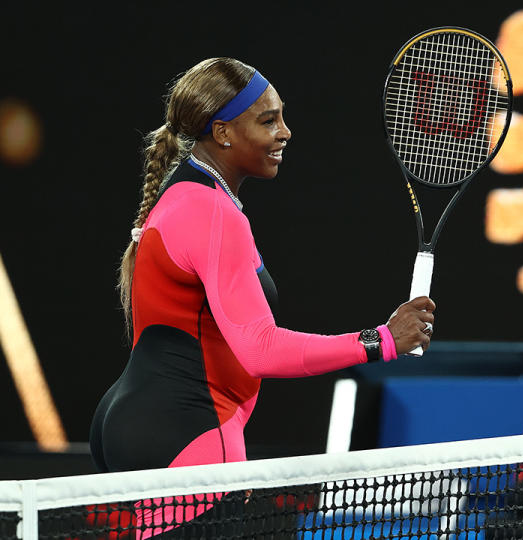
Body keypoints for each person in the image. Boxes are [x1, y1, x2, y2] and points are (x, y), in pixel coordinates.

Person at [90, 58, 435, 475]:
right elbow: (260, 349)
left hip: (134, 422)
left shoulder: (184, 193)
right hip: (189, 430)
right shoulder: (213, 212)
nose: (285, 132)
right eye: (268, 121)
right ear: (223, 133)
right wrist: (380, 340)